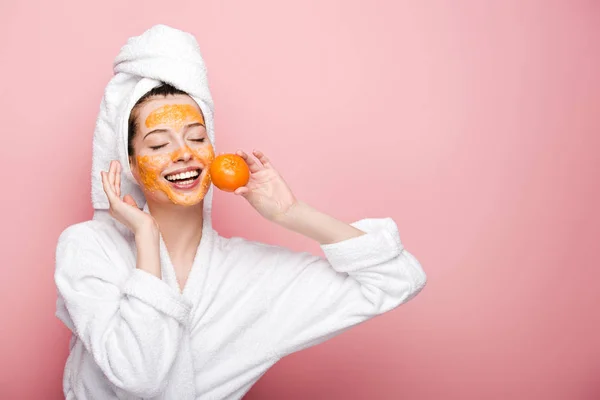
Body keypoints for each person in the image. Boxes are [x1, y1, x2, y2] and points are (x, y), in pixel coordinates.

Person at [54, 25, 427, 400]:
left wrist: (292, 214)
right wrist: (146, 239)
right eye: (158, 143)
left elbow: (397, 278)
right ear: (132, 166)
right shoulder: (89, 248)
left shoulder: (252, 276)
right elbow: (138, 376)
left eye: (197, 138)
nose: (184, 152)